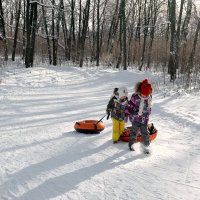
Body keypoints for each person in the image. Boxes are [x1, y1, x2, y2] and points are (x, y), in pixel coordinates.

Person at [125, 79, 152, 153]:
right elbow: (130, 106)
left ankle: (146, 146)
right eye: (143, 94)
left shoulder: (149, 98)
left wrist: (148, 113)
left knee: (145, 133)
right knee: (134, 132)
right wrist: (126, 114)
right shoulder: (135, 97)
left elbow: (149, 107)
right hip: (135, 119)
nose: (145, 96)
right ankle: (131, 144)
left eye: (146, 95)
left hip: (144, 120)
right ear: (140, 91)